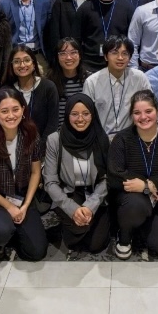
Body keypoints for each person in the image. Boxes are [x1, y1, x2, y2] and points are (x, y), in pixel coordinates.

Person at [108, 90, 158, 259]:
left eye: (148, 111)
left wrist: (148, 186)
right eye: (137, 113)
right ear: (131, 115)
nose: (143, 117)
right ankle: (125, 234)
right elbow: (116, 173)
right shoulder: (122, 139)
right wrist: (146, 189)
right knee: (135, 207)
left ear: (157, 111)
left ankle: (143, 227)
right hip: (133, 198)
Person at [0, 87, 48, 260]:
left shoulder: (31, 135)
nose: (11, 116)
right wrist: (9, 207)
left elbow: (36, 172)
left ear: (23, 110)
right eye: (4, 111)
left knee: (36, 252)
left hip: (21, 196)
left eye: (15, 109)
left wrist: (25, 205)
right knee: (1, 231)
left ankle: (13, 234)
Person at [43, 93, 112, 254]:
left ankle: (93, 222)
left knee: (96, 245)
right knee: (74, 237)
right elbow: (50, 182)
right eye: (74, 114)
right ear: (67, 115)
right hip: (69, 193)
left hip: (96, 195)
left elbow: (107, 178)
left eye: (86, 114)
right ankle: (80, 224)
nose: (80, 119)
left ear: (92, 115)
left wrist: (90, 206)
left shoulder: (101, 139)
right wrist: (72, 209)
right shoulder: (55, 140)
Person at [83, 36, 154, 137]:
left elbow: (152, 106)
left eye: (125, 53)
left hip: (132, 138)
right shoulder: (92, 82)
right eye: (114, 53)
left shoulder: (139, 78)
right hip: (101, 139)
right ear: (106, 56)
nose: (120, 58)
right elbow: (86, 115)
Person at [77, 0, 135, 72]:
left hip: (119, 66)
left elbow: (132, 40)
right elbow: (76, 39)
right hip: (90, 67)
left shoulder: (127, 8)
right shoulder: (85, 8)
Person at [3, 44, 60, 137]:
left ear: (34, 64)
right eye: (17, 61)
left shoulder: (49, 87)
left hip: (44, 146)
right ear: (11, 66)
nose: (22, 65)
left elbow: (52, 125)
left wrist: (41, 148)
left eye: (26, 60)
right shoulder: (6, 91)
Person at [50, 37, 91, 120]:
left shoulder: (90, 79)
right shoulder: (50, 82)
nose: (68, 57)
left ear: (79, 56)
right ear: (57, 58)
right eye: (63, 53)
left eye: (73, 52)